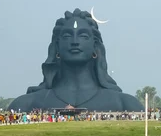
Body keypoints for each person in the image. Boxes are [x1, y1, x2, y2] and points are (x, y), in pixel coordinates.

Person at [8, 9, 143, 112]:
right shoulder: (26, 104)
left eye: (83, 36)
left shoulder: (125, 104)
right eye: (67, 36)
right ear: (57, 47)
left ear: (95, 48)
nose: (74, 42)